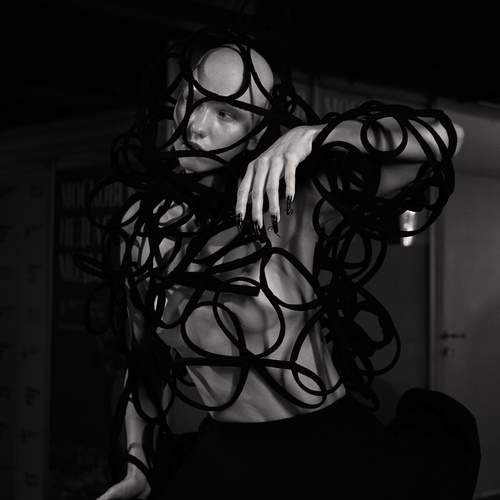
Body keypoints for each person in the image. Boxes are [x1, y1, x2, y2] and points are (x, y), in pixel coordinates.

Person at [92, 33, 479, 500]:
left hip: (326, 452)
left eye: (226, 114)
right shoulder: (139, 225)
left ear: (256, 134)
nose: (196, 125)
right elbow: (141, 362)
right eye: (189, 99)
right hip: (225, 457)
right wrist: (138, 465)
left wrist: (314, 136)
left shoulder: (292, 200)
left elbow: (446, 138)